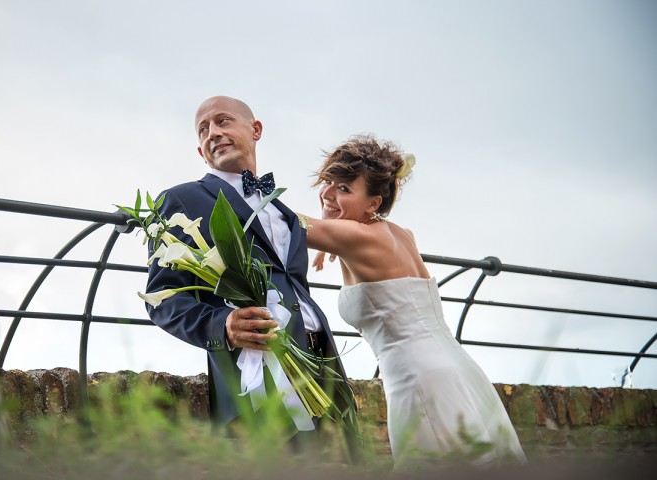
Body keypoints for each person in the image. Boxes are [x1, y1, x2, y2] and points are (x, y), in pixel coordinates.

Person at [144, 96, 360, 459]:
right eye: (204, 129)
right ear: (201, 151)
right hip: (255, 374)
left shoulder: (284, 211)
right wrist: (222, 325)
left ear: (255, 129)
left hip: (324, 365)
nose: (213, 132)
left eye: (223, 121)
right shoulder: (180, 201)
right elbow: (164, 297)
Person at [301, 134, 527, 469]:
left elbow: (281, 223)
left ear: (374, 203)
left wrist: (327, 234)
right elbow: (343, 235)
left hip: (419, 380)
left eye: (345, 189)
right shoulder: (400, 233)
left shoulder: (358, 238)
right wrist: (329, 236)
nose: (329, 194)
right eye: (330, 182)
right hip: (459, 371)